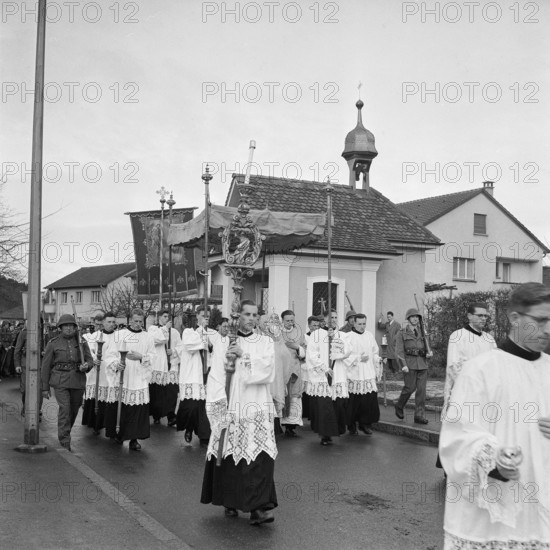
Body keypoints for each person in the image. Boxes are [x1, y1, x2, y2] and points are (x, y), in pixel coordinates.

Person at [439, 282, 550, 549]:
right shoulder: (480, 370)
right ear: (514, 318)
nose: (548, 329)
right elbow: (456, 438)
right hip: (492, 511)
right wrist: (493, 459)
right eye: (541, 320)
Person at [201, 300, 277, 525]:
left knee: (259, 456)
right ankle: (230, 500)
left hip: (256, 405)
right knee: (230, 453)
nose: (252, 318)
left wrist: (244, 356)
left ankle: (259, 508)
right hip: (232, 403)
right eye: (247, 314)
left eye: (255, 315)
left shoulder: (265, 342)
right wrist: (217, 406)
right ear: (238, 316)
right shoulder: (225, 342)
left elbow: (268, 370)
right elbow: (215, 374)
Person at [104, 309, 155, 451]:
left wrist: (142, 357)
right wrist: (116, 364)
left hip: (139, 376)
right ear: (130, 320)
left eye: (140, 321)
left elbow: (153, 356)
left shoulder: (148, 337)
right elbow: (110, 355)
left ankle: (134, 439)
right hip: (123, 375)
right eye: (135, 321)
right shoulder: (119, 335)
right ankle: (118, 433)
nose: (138, 324)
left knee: (137, 407)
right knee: (121, 405)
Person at [41, 314, 93, 451]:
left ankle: (66, 432)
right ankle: (64, 441)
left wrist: (86, 366)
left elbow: (90, 360)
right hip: (60, 381)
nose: (69, 328)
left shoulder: (81, 342)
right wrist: (44, 388)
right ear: (60, 328)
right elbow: (45, 366)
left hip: (78, 380)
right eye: (65, 326)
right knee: (65, 409)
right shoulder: (53, 343)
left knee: (74, 409)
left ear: (75, 328)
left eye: (71, 326)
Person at [305, 310, 351, 445]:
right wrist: (324, 369)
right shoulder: (316, 334)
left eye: (336, 317)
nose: (334, 319)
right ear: (324, 319)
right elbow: (312, 354)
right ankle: (325, 434)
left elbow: (347, 351)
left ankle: (335, 430)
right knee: (325, 406)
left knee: (337, 405)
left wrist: (336, 341)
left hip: (338, 374)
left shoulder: (342, 335)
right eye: (331, 317)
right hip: (323, 375)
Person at [175, 317, 211, 445]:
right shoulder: (188, 332)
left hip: (204, 373)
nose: (205, 320)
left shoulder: (207, 332)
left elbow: (211, 346)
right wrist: (202, 332)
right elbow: (190, 346)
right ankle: (189, 428)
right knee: (190, 406)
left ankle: (204, 434)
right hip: (191, 374)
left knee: (202, 406)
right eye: (202, 317)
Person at [344, 313, 382, 435]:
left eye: (364, 324)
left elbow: (374, 351)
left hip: (367, 373)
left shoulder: (369, 335)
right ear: (353, 323)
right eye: (359, 324)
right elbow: (345, 356)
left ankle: (365, 424)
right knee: (353, 402)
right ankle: (351, 425)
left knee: (367, 401)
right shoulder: (348, 337)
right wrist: (358, 358)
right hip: (354, 373)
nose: (362, 326)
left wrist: (377, 359)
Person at [394, 308, 433, 424]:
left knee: (421, 390)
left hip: (422, 364)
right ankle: (399, 405)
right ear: (408, 319)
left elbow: (427, 348)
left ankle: (419, 415)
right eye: (413, 317)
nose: (415, 319)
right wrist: (403, 365)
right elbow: (399, 352)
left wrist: (429, 353)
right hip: (409, 364)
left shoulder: (423, 333)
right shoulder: (402, 333)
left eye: (417, 317)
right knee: (409, 388)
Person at [81, 312, 117, 434]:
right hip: (98, 371)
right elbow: (88, 350)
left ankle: (109, 426)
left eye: (113, 322)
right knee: (97, 397)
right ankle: (96, 424)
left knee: (110, 399)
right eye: (109, 322)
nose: (111, 324)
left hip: (112, 372)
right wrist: (93, 358)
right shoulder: (95, 336)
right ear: (103, 323)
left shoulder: (119, 336)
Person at [148, 309, 181, 426]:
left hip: (171, 365)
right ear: (159, 318)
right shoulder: (154, 329)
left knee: (171, 392)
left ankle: (171, 416)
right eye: (165, 316)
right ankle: (156, 415)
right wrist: (165, 329)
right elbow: (156, 340)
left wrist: (173, 351)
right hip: (159, 365)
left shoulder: (175, 333)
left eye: (168, 316)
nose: (167, 318)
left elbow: (180, 347)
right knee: (158, 392)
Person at [280, 310, 305, 437]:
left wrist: (298, 348)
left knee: (294, 397)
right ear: (282, 320)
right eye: (287, 320)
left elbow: (305, 352)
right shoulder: (278, 333)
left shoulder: (299, 334)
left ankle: (291, 426)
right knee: (283, 395)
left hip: (295, 368)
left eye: (292, 320)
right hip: (282, 369)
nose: (290, 323)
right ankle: (280, 424)